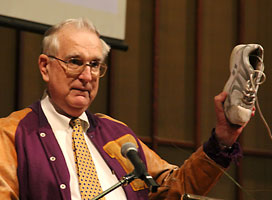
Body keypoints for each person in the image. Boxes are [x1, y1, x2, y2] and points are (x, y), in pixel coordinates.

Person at [0, 18, 248, 200]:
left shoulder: (117, 135)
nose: (87, 76)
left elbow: (175, 187)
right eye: (75, 62)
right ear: (45, 67)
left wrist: (223, 139)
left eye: (95, 65)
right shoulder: (11, 134)